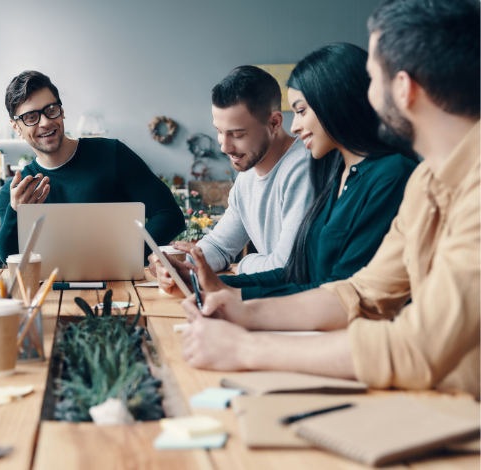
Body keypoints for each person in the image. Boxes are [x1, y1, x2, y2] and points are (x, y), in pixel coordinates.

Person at [181, 0, 480, 398]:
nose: (366, 94)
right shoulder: (427, 179)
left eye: (372, 79)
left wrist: (248, 347)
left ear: (404, 89)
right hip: (434, 400)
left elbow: (418, 346)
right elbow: (360, 293)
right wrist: (243, 309)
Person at [166, 43, 418, 300]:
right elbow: (304, 274)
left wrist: (238, 285)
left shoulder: (380, 174)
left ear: (334, 104)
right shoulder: (340, 172)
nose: (295, 126)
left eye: (300, 111)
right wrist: (203, 278)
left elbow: (337, 292)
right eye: (219, 132)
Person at [151, 66, 314, 293]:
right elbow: (219, 245)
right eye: (219, 131)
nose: (224, 146)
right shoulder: (247, 175)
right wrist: (183, 267)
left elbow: (288, 268)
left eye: (237, 135)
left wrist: (244, 264)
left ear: (275, 123)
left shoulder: (303, 169)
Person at [0, 70, 185, 262]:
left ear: (62, 111)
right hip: (52, 290)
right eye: (30, 117)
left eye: (51, 110)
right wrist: (15, 211)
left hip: (119, 287)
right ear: (16, 127)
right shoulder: (17, 193)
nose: (45, 122)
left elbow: (169, 215)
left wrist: (124, 256)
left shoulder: (112, 153)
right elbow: (8, 256)